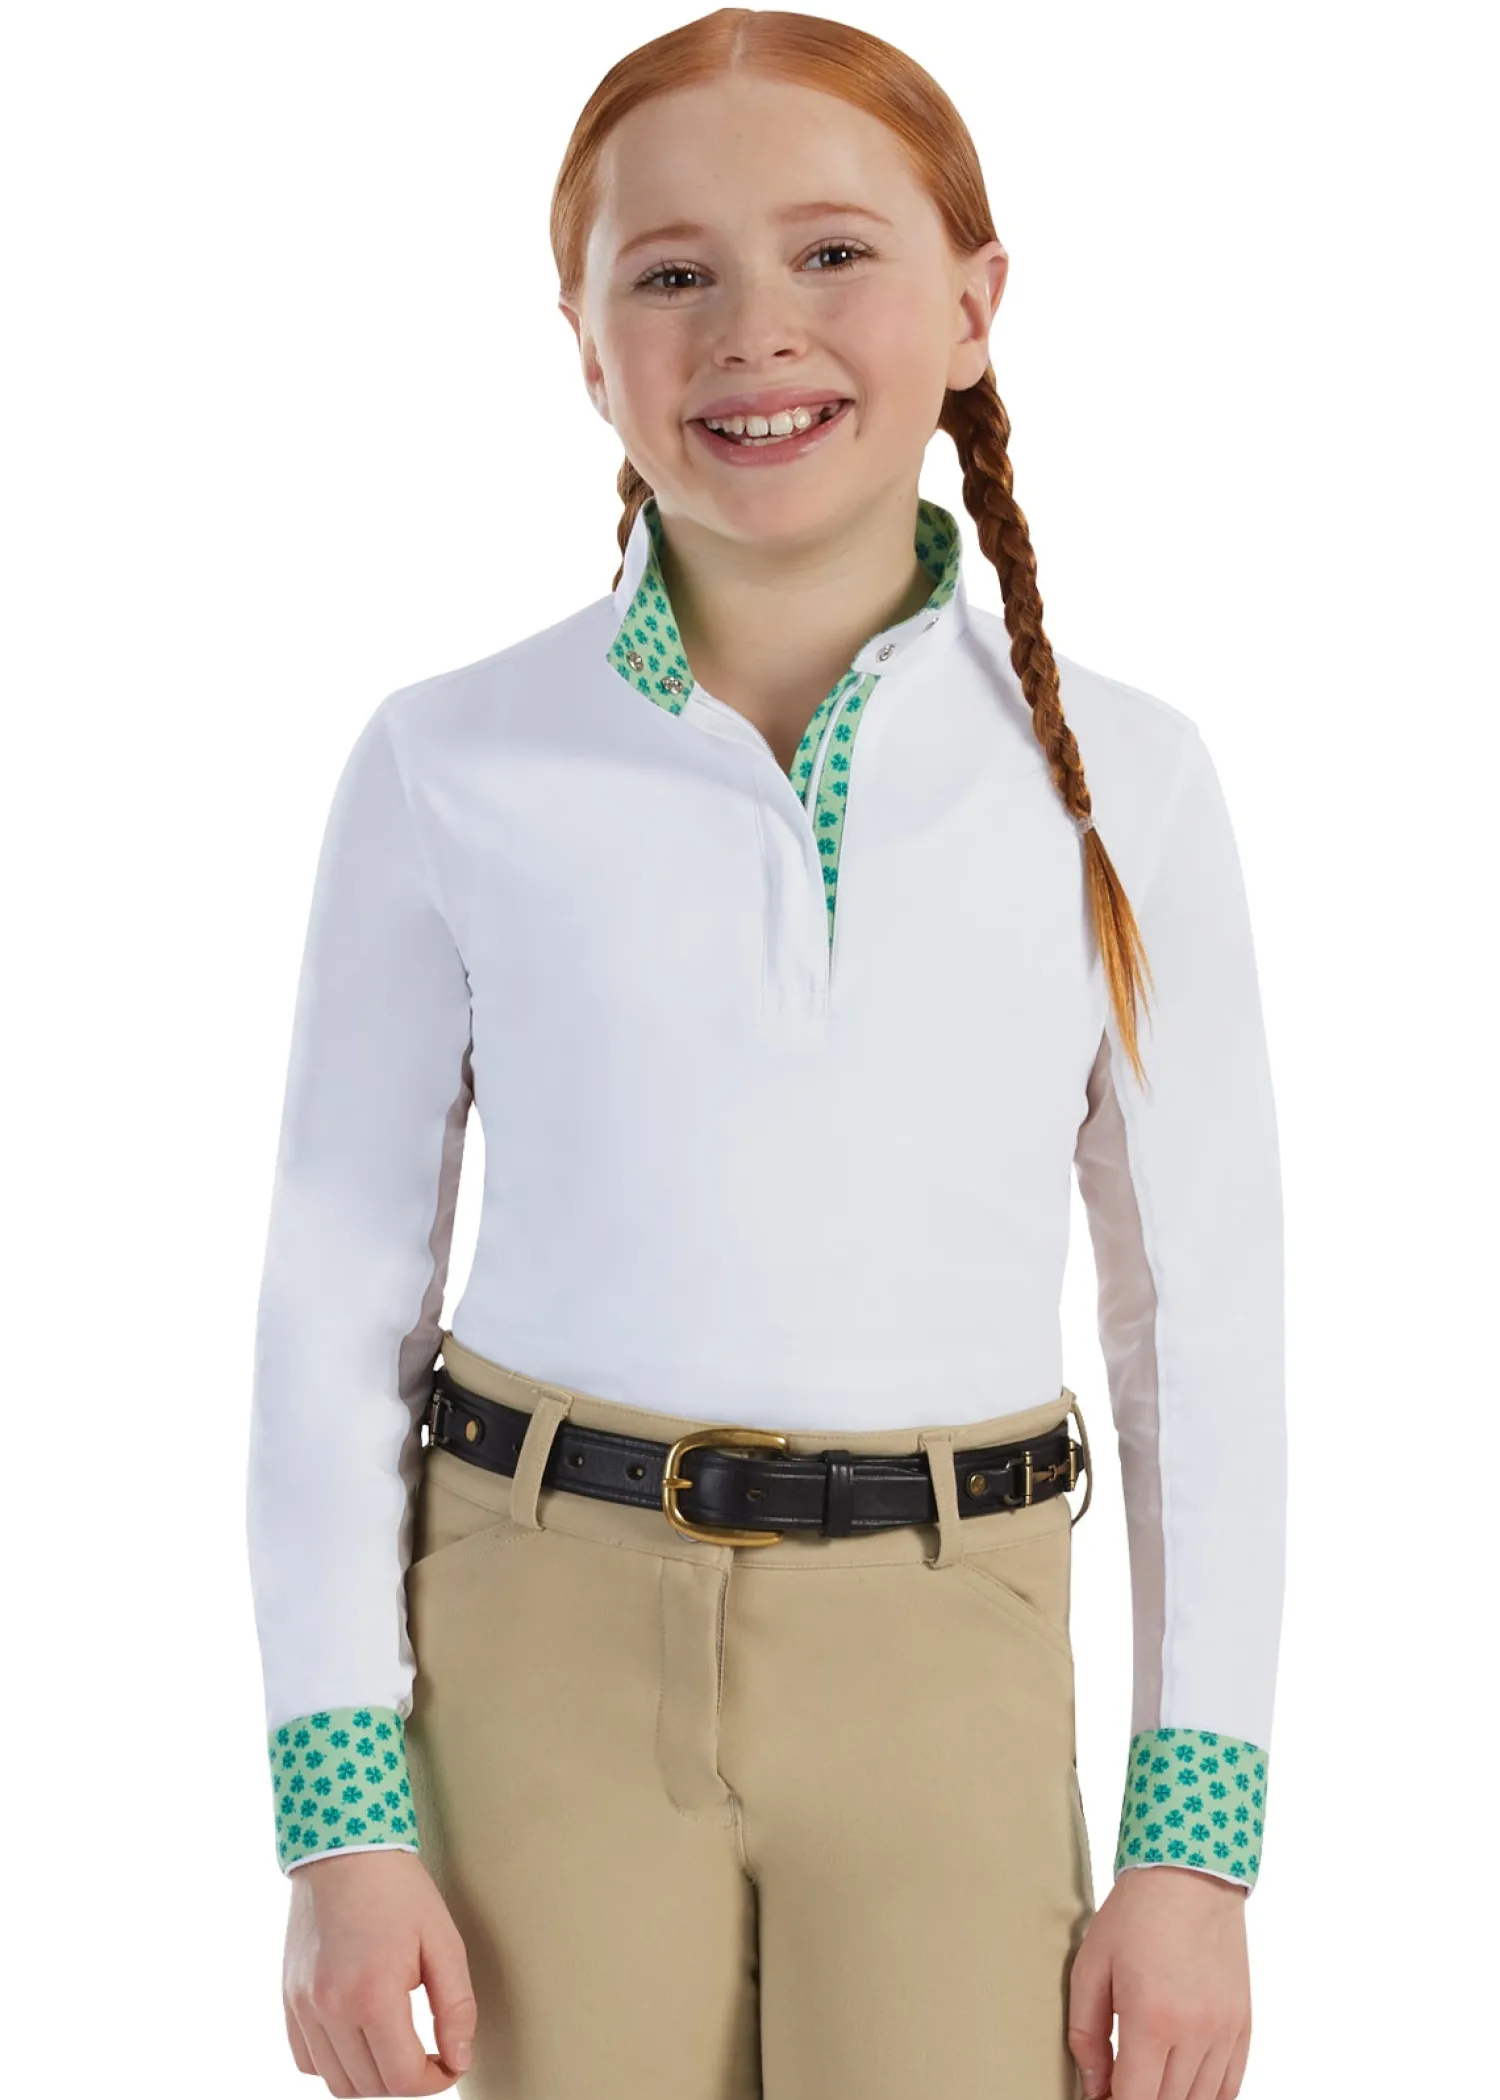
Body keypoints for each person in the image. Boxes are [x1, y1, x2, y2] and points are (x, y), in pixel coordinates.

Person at [247, 11, 1285, 2098]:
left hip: (949, 1655)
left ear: (974, 305)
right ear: (582, 341)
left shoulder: (1128, 782)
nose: (753, 331)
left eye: (832, 253)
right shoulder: (451, 761)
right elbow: (334, 1297)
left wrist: (1195, 1854)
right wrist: (341, 1823)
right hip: (537, 1645)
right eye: (671, 272)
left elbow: (1202, 1324)